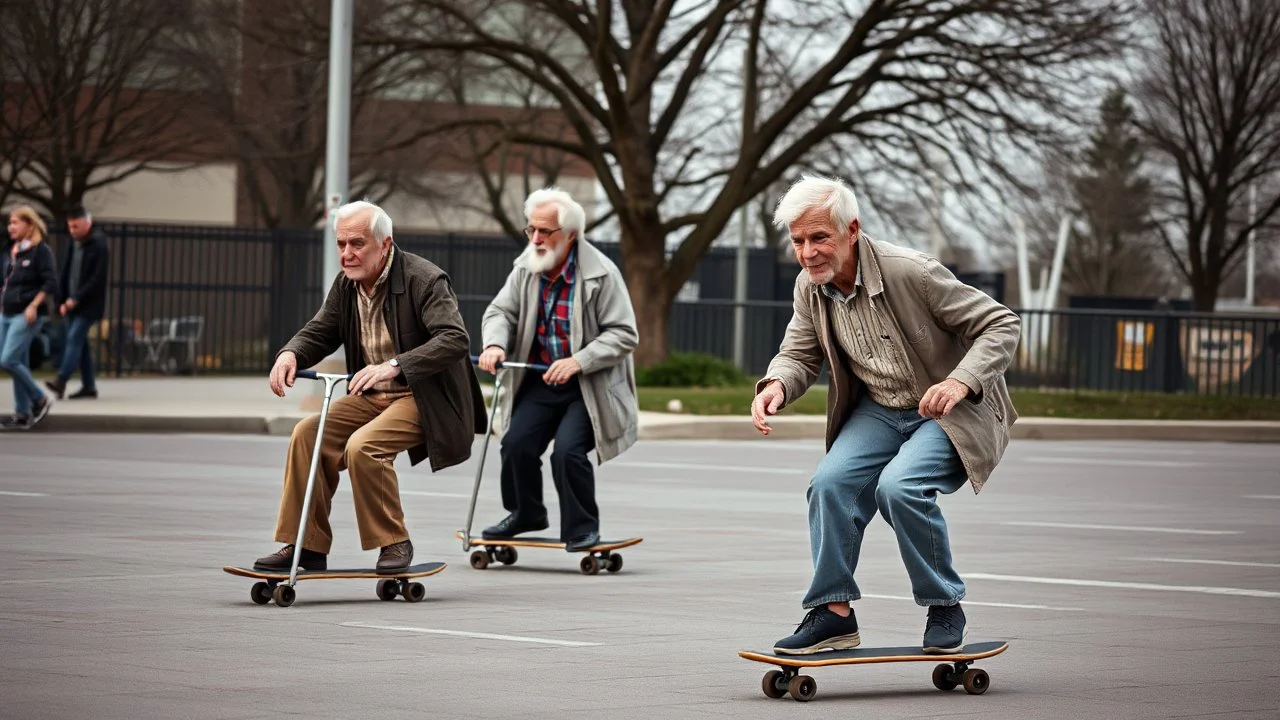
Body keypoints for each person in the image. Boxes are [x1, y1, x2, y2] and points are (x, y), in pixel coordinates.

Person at [752, 175, 1020, 655]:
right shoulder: (808, 288)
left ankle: (944, 603)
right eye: (798, 241)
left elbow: (1001, 323)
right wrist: (776, 384)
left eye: (819, 238)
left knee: (899, 487)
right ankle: (834, 614)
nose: (808, 252)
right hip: (880, 408)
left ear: (851, 229)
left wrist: (960, 380)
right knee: (829, 484)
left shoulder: (911, 272)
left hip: (948, 411)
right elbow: (798, 353)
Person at [254, 200, 486, 572]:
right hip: (372, 396)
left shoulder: (424, 279)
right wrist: (291, 353)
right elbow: (322, 328)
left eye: (357, 243)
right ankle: (306, 546)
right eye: (342, 244)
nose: (347, 254)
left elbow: (455, 339)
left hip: (423, 397)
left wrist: (394, 366)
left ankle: (394, 542)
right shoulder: (347, 284)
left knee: (364, 447)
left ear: (385, 245)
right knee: (306, 435)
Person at [477, 187, 639, 552]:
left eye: (544, 231)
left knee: (567, 451)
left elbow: (624, 333)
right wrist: (494, 343)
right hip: (541, 379)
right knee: (515, 444)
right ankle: (526, 513)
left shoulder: (602, 274)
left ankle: (583, 528)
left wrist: (579, 360)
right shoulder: (526, 268)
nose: (535, 238)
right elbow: (500, 312)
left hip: (588, 384)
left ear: (570, 235)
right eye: (531, 229)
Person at [1, 206, 59, 429]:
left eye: (15, 222)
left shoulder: (40, 251)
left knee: (8, 360)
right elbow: (8, 284)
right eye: (9, 223)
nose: (10, 227)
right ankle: (22, 414)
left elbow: (50, 282)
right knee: (18, 361)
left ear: (30, 225)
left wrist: (34, 305)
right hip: (6, 313)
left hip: (26, 315)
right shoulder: (15, 250)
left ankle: (39, 399)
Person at [45, 204, 110, 401]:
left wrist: (76, 298)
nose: (72, 231)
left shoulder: (99, 245)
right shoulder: (73, 243)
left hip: (88, 305)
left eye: (76, 227)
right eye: (70, 227)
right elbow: (65, 272)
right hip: (71, 302)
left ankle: (61, 380)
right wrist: (61, 300)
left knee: (74, 338)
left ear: (87, 223)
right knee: (80, 344)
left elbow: (96, 279)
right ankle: (89, 387)